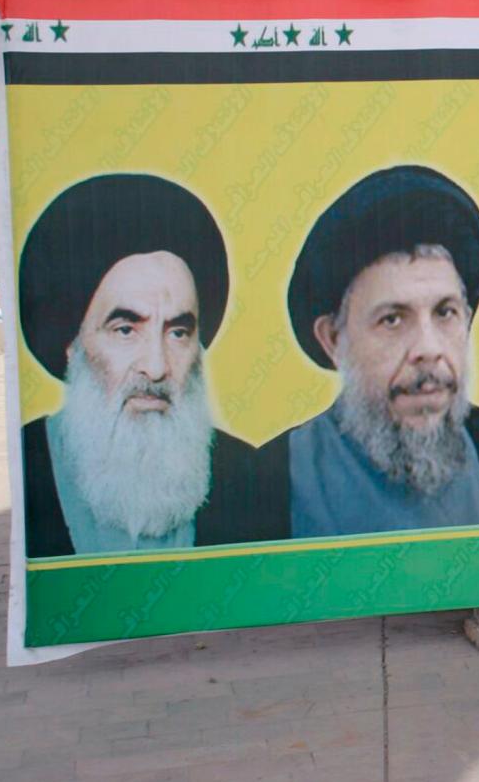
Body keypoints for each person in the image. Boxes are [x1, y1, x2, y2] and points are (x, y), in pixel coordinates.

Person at [17, 174, 287, 557]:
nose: (157, 367)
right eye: (126, 329)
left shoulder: (245, 476)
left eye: (178, 333)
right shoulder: (26, 468)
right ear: (72, 345)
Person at [273, 166, 479, 539]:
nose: (428, 350)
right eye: (393, 320)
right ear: (333, 339)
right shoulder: (271, 486)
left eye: (445, 312)